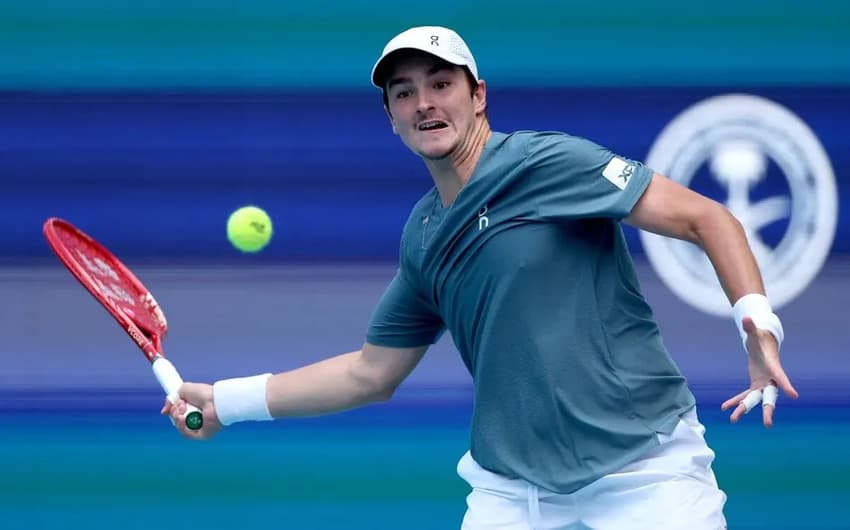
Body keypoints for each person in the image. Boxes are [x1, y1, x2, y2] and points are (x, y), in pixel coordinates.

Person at [163, 26, 798, 529]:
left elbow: (707, 219)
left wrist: (756, 323)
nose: (425, 103)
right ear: (391, 117)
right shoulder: (424, 236)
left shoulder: (548, 163)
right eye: (404, 93)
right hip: (514, 494)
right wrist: (227, 401)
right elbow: (370, 372)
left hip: (647, 472)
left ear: (478, 95)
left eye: (440, 83)